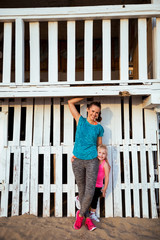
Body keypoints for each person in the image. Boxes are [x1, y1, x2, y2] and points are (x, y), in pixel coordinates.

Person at [68, 97, 104, 231]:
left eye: (97, 113)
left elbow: (99, 145)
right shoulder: (80, 121)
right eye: (92, 111)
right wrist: (84, 95)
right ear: (87, 109)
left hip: (92, 161)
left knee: (90, 191)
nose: (94, 114)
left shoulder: (99, 128)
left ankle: (81, 215)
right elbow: (70, 103)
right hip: (77, 161)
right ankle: (88, 219)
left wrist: (101, 158)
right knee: (82, 190)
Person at [74, 144, 110, 222]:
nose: (101, 155)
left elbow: (107, 177)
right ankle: (79, 198)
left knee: (94, 200)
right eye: (99, 152)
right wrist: (75, 157)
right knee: (87, 196)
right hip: (89, 183)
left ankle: (92, 214)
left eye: (103, 153)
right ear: (96, 152)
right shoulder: (93, 161)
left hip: (98, 185)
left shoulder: (105, 164)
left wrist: (105, 189)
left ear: (106, 155)